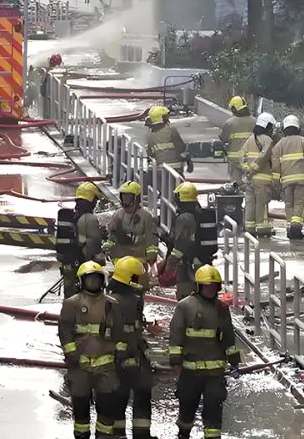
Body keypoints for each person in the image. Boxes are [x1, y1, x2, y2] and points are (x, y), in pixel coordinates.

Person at [169, 265, 240, 439]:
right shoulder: (184, 306)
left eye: (214, 286)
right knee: (187, 409)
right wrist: (176, 363)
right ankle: (183, 434)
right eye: (207, 286)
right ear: (199, 286)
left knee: (214, 410)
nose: (210, 289)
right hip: (190, 372)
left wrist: (234, 362)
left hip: (214, 374)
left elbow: (229, 337)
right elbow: (176, 335)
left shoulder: (222, 308)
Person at [59, 261, 125, 439]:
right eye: (89, 279)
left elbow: (120, 334)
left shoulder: (112, 304)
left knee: (106, 410)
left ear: (102, 280)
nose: (93, 283)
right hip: (79, 367)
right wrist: (71, 354)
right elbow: (64, 331)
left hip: (106, 368)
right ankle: (81, 435)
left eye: (96, 279)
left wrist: (120, 353)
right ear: (81, 281)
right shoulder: (71, 303)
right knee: (81, 411)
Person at [109, 257, 153, 439]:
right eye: (139, 278)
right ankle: (120, 434)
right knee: (121, 395)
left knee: (142, 390)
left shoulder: (132, 299)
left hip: (134, 355)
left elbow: (135, 330)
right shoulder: (113, 302)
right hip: (119, 358)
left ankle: (140, 434)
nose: (143, 281)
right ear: (131, 279)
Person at [268, 114, 304, 239]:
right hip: (302, 181)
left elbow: (275, 165)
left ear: (284, 129)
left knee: (289, 204)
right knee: (299, 204)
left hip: (286, 182)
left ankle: (290, 226)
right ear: (298, 128)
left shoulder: (279, 145)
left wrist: (276, 182)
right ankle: (296, 226)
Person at [56, 182, 105, 298]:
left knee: (69, 299)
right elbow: (93, 248)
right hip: (82, 268)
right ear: (92, 200)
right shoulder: (90, 219)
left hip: (68, 266)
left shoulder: (72, 216)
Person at [104, 181, 159, 270]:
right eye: (123, 196)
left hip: (139, 261)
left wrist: (151, 257)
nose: (125, 199)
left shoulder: (146, 216)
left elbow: (151, 239)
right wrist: (108, 247)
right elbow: (111, 236)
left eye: (128, 197)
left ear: (136, 198)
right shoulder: (118, 214)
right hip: (120, 261)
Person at [240, 112, 277, 237]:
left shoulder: (249, 139)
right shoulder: (268, 140)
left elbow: (242, 157)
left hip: (249, 180)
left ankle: (249, 228)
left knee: (250, 203)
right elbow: (264, 156)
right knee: (261, 204)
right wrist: (253, 170)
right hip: (262, 179)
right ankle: (262, 228)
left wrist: (247, 172)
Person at [169, 182, 204, 300]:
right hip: (200, 259)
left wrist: (170, 261)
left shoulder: (185, 218)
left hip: (188, 262)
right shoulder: (198, 211)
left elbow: (182, 244)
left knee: (186, 297)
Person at [145, 106, 191, 174]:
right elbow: (182, 148)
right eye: (166, 116)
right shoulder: (171, 130)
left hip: (159, 170)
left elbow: (150, 153)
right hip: (175, 169)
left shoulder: (149, 135)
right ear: (161, 118)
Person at [220, 96, 255, 186]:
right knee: (251, 185)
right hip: (251, 159)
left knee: (235, 185)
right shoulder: (255, 121)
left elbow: (223, 138)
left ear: (234, 108)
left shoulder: (230, 123)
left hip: (235, 160)